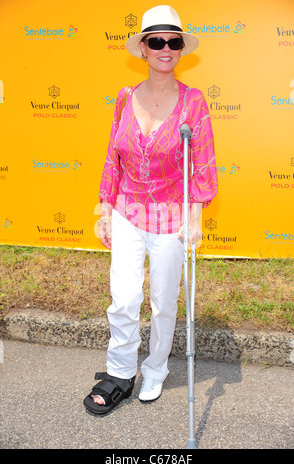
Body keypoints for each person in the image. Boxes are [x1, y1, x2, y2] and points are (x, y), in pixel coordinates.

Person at [83, 5, 218, 415]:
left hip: (169, 219)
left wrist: (194, 219)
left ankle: (155, 368)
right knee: (123, 298)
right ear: (143, 48)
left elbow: (203, 163)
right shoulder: (125, 98)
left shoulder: (193, 103)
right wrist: (106, 207)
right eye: (155, 40)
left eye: (173, 41)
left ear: (180, 50)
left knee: (162, 303)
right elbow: (113, 156)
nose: (165, 48)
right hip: (127, 212)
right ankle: (120, 372)